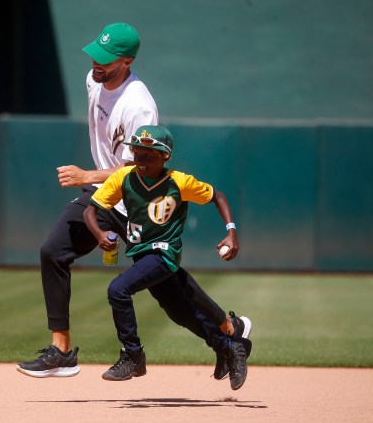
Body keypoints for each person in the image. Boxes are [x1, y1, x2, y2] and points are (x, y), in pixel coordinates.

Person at [16, 22, 251, 380]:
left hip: (138, 206)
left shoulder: (139, 105)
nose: (97, 64)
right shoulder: (93, 80)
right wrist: (94, 186)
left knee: (174, 299)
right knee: (53, 251)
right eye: (96, 54)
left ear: (127, 61)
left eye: (107, 60)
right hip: (105, 197)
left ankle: (228, 337)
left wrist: (86, 176)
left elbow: (136, 168)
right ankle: (61, 350)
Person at [83, 125, 251, 390]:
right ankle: (230, 346)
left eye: (148, 155)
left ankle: (133, 356)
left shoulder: (179, 182)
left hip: (164, 253)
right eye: (137, 153)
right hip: (141, 255)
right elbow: (91, 211)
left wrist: (232, 233)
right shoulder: (124, 177)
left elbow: (218, 196)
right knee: (181, 313)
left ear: (165, 156)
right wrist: (99, 233)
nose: (140, 161)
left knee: (118, 289)